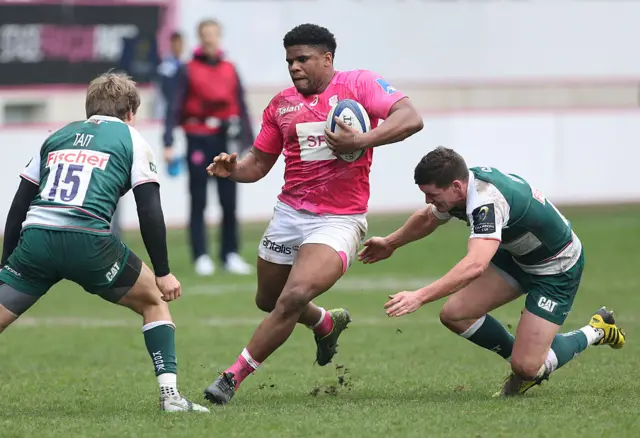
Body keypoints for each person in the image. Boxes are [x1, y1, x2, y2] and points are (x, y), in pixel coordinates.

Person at [203, 23, 424, 405]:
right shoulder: (281, 105)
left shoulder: (359, 84)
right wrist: (233, 170)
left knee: (295, 294)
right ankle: (325, 321)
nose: (294, 67)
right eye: (290, 60)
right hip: (289, 215)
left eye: (303, 59)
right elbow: (257, 163)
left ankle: (231, 377)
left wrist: (362, 140)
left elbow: (410, 117)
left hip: (339, 219)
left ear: (327, 58)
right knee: (269, 300)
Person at [0, 72, 209, 413]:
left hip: (36, 241)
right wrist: (163, 271)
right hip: (90, 242)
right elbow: (150, 210)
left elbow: (19, 205)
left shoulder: (57, 137)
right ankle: (170, 397)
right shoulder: (132, 139)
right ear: (130, 111)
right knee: (154, 301)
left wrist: (7, 264)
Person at [359, 146, 626, 396]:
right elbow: (428, 217)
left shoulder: (485, 201)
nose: (428, 200)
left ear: (455, 186)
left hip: (556, 268)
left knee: (527, 368)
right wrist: (390, 243)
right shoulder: (462, 187)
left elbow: (475, 265)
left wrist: (419, 296)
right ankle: (529, 362)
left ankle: (597, 329)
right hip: (516, 256)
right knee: (455, 315)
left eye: (432, 195)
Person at [163, 19, 253, 276]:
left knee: (229, 200)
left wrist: (251, 142)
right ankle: (201, 255)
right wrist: (168, 141)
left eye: (213, 34)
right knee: (199, 198)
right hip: (198, 137)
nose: (210, 39)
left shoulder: (230, 68)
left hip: (226, 138)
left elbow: (242, 105)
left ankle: (230, 254)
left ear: (219, 36)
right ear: (200, 37)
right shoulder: (188, 69)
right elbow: (174, 106)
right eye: (205, 34)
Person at [157, 31, 185, 119]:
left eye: (180, 43)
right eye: (175, 43)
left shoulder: (186, 62)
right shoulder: (165, 66)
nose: (178, 46)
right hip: (170, 109)